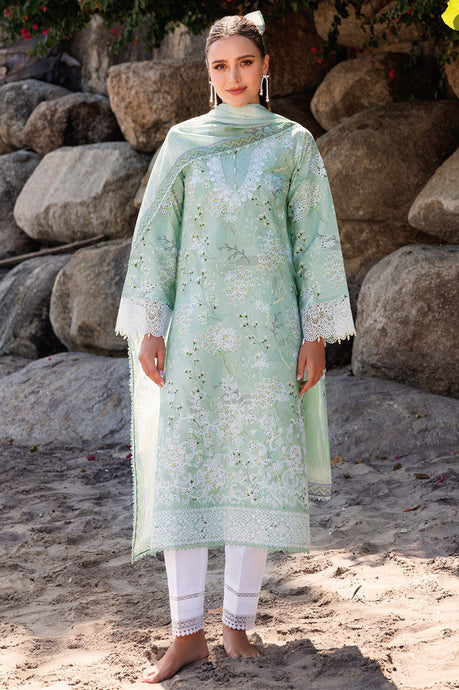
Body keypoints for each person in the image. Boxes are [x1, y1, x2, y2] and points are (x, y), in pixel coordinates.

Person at [115, 10, 355, 684]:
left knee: (258, 470)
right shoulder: (183, 144)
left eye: (245, 62)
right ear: (208, 75)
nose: (233, 76)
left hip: (269, 337)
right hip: (194, 337)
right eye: (220, 66)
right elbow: (157, 241)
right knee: (186, 472)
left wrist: (314, 336)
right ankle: (186, 633)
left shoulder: (293, 145)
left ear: (266, 66)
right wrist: (152, 327)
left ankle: (237, 625)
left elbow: (315, 243)